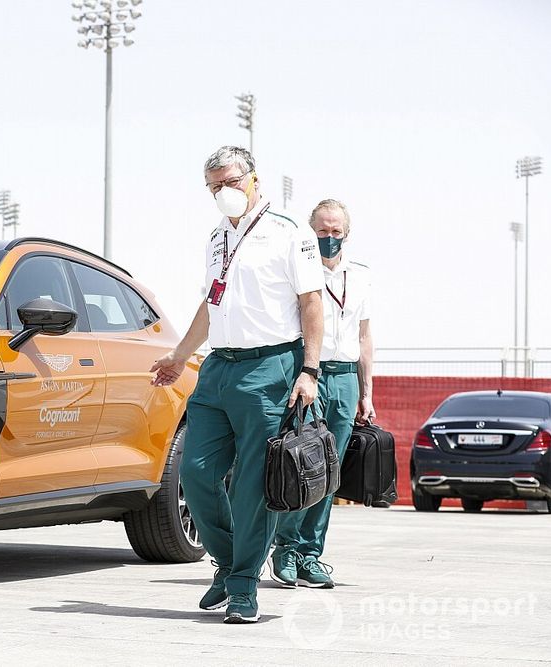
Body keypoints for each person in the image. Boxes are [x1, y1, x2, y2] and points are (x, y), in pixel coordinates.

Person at [150, 145, 324, 623]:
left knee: (253, 485)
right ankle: (227, 564)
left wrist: (309, 370)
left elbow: (311, 303)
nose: (222, 193)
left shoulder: (288, 233)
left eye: (229, 182)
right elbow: (211, 304)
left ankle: (244, 585)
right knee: (195, 473)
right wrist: (179, 356)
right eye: (213, 187)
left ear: (254, 179)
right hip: (218, 369)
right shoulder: (214, 238)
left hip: (271, 368)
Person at [270, 198, 375, 589]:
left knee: (329, 474)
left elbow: (365, 337)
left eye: (336, 231)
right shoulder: (298, 272)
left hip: (346, 378)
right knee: (302, 465)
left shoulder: (360, 276)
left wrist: (367, 392)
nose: (329, 237)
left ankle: (311, 554)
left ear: (346, 232)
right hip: (309, 374)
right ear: (310, 232)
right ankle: (286, 548)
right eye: (322, 231)